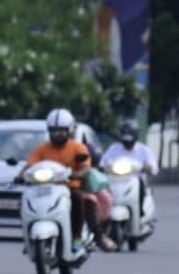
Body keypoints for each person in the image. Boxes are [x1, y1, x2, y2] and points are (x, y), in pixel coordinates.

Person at [21, 108, 116, 252]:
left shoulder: (78, 148)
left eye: (61, 131)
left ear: (70, 130)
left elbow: (85, 167)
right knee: (24, 201)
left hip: (69, 188)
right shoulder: (43, 149)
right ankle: (29, 237)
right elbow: (29, 165)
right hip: (44, 188)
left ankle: (82, 238)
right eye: (54, 131)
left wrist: (76, 174)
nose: (57, 134)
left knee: (80, 201)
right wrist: (20, 175)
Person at [100, 121, 158, 212]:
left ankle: (140, 212)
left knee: (140, 187)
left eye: (130, 135)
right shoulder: (114, 148)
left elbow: (153, 168)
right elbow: (102, 164)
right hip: (115, 181)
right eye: (125, 135)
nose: (127, 139)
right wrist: (107, 168)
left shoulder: (144, 150)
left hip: (136, 182)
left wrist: (142, 168)